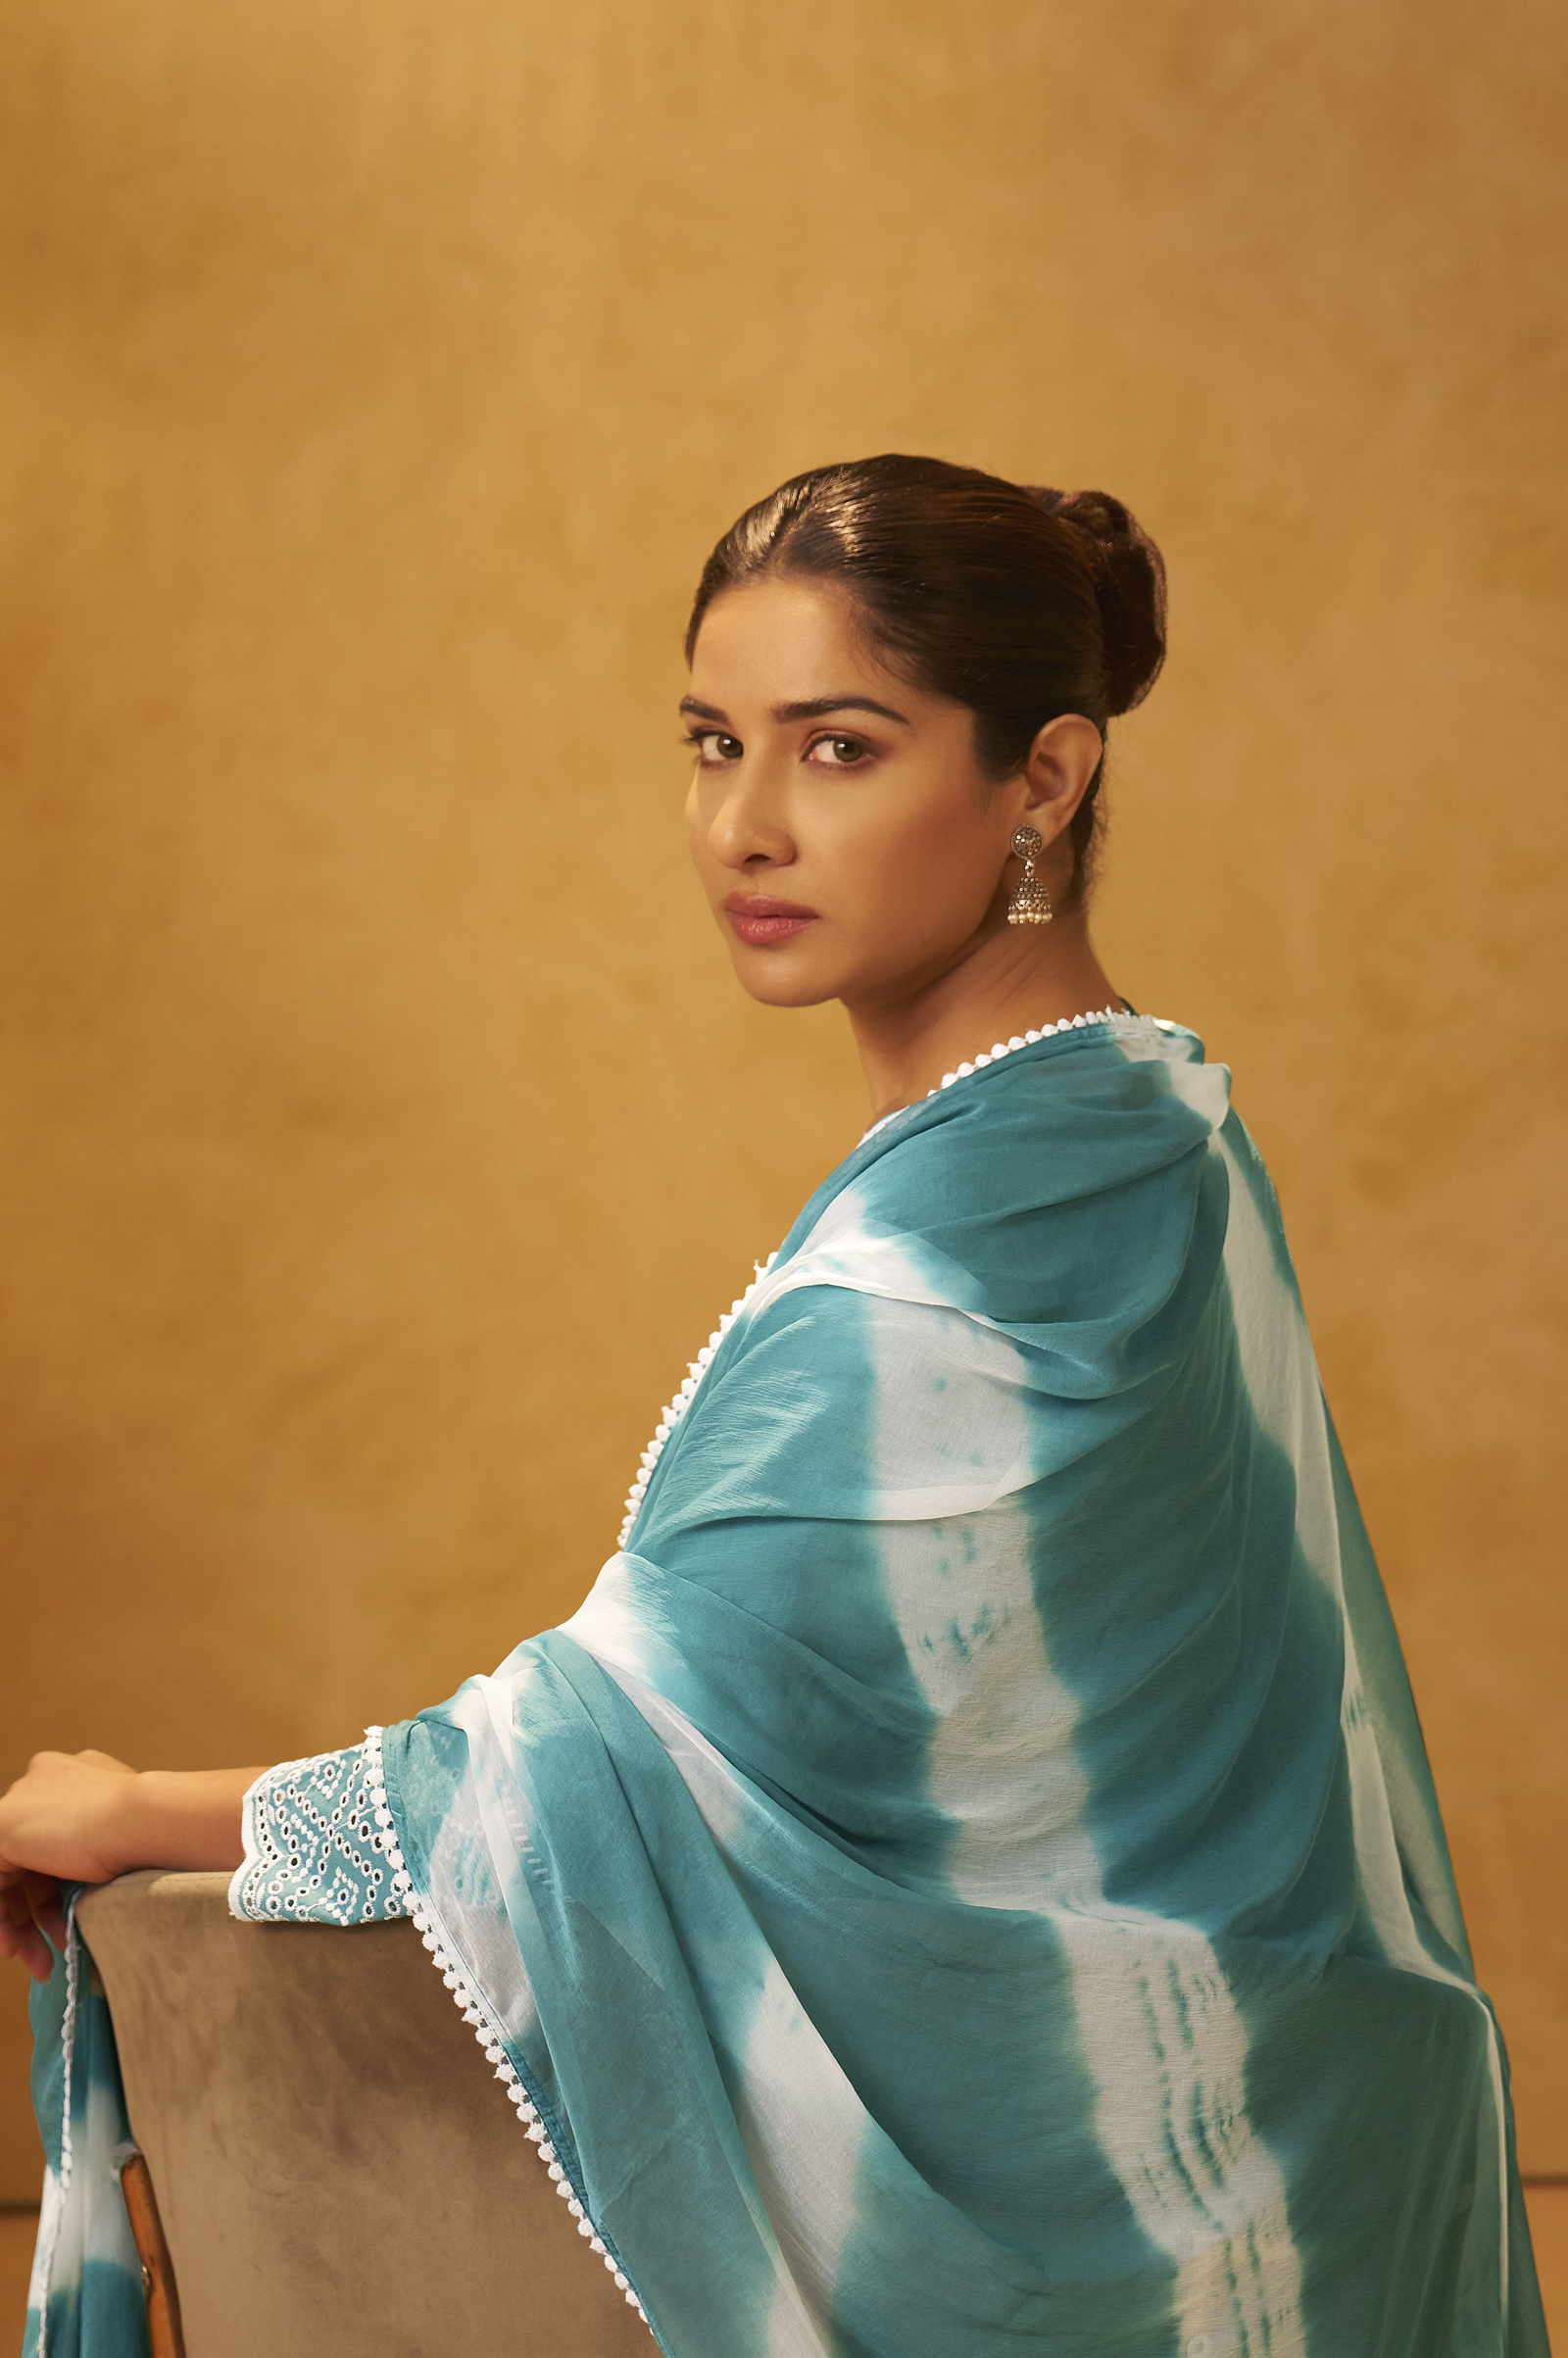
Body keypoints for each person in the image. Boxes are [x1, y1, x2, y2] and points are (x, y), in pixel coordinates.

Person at [1, 455, 1547, 2357]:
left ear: (1042, 778)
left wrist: (135, 1811)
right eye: (711, 744)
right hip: (1306, 2120)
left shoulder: (1004, 1227)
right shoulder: (1133, 1127)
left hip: (1193, 2218)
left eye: (836, 749)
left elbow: (613, 1750)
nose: (742, 826)